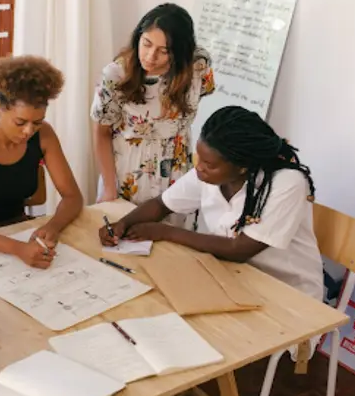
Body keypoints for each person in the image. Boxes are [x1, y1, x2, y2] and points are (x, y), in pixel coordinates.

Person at [100, 105, 324, 302]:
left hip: (288, 294)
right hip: (232, 277)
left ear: (242, 166)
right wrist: (122, 223)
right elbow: (161, 204)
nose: (198, 167)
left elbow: (239, 250)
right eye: (199, 158)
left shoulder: (286, 183)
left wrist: (165, 232)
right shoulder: (210, 174)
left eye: (209, 164)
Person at [0, 55, 83, 269]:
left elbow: (73, 196)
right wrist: (18, 249)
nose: (29, 131)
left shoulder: (44, 135)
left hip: (18, 231)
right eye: (20, 122)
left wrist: (53, 226)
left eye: (37, 122)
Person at [91, 2, 216, 227]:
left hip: (177, 174)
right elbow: (101, 133)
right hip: (129, 175)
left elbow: (199, 96)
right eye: (146, 44)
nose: (150, 56)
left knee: (173, 250)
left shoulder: (198, 67)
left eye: (164, 50)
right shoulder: (116, 75)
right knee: (121, 242)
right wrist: (110, 188)